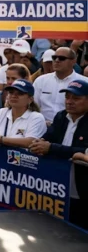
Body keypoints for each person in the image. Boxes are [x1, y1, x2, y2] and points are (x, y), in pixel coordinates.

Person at [29, 79, 88, 228]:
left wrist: (51, 148)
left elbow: (83, 152)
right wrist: (38, 144)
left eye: (76, 98)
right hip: (58, 186)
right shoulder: (61, 116)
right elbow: (49, 138)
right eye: (67, 97)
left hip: (83, 189)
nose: (69, 101)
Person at [0, 79, 47, 148]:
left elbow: (31, 142)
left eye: (20, 93)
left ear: (30, 99)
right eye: (11, 92)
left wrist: (0, 138)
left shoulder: (36, 117)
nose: (14, 96)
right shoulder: (2, 112)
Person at [33, 47, 87, 126]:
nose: (57, 60)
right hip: (42, 126)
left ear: (73, 61)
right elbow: (33, 106)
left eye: (62, 58)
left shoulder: (85, 82)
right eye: (54, 58)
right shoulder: (40, 80)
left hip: (73, 127)